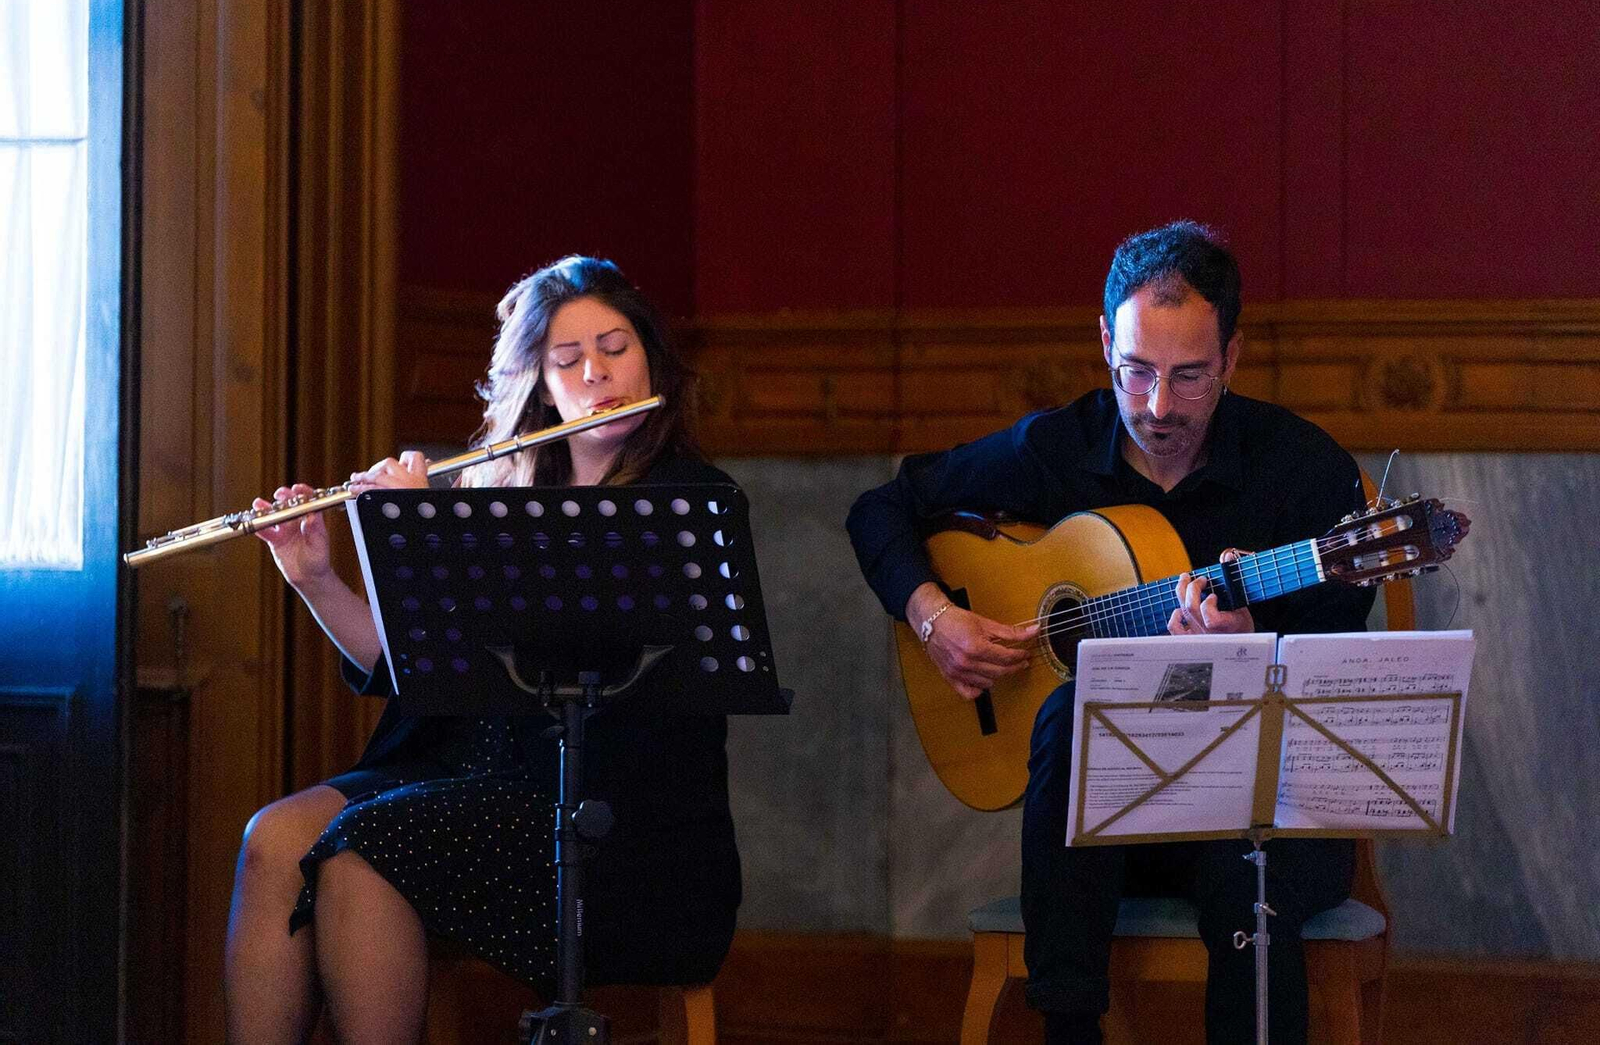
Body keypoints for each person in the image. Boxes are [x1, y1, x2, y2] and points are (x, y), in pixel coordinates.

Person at [846, 222, 1374, 1044]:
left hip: (1262, 816)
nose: (1158, 407)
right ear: (1104, 343)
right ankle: (1069, 1030)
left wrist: (1250, 651)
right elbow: (881, 507)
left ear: (1232, 358)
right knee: (1072, 711)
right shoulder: (1059, 447)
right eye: (1137, 372)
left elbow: (1341, 681)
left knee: (1248, 882)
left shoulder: (1305, 472)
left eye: (1191, 376)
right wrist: (934, 616)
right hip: (1106, 831)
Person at [225, 257, 741, 1044]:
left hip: (611, 822)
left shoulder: (688, 502)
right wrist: (317, 578)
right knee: (274, 837)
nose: (598, 374)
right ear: (541, 383)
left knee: (363, 848)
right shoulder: (503, 490)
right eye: (569, 361)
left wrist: (415, 542)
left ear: (651, 359)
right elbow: (430, 671)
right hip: (465, 777)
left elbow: (545, 672)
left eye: (616, 348)